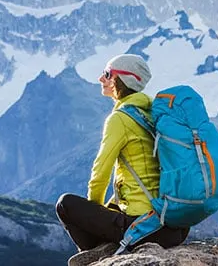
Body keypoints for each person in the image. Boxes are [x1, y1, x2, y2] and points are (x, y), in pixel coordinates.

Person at [56, 54, 189, 263]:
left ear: (123, 80)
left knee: (65, 204)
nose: (101, 78)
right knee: (112, 208)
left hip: (145, 227)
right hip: (172, 225)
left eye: (108, 74)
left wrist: (93, 216)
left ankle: (97, 255)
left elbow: (100, 175)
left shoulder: (120, 119)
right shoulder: (152, 113)